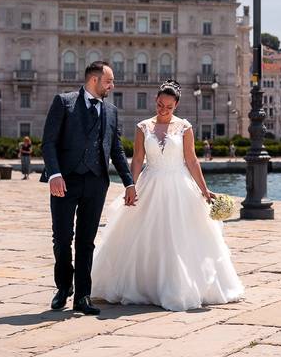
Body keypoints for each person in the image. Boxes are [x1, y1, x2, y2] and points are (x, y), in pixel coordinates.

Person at [91, 79, 244, 311]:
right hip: (150, 184)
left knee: (180, 236)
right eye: (160, 105)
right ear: (156, 100)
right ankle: (144, 285)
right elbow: (138, 159)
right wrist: (130, 186)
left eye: (169, 107)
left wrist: (204, 190)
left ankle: (180, 286)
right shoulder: (143, 126)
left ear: (177, 105)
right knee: (143, 234)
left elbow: (192, 160)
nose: (163, 110)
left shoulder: (185, 127)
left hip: (179, 185)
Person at [42, 61, 135, 316]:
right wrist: (55, 174)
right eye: (109, 81)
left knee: (86, 241)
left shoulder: (112, 111)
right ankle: (63, 287)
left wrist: (129, 182)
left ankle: (82, 295)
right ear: (94, 80)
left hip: (96, 183)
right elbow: (48, 142)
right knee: (62, 239)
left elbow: (116, 150)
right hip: (64, 182)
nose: (112, 85)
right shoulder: (64, 102)